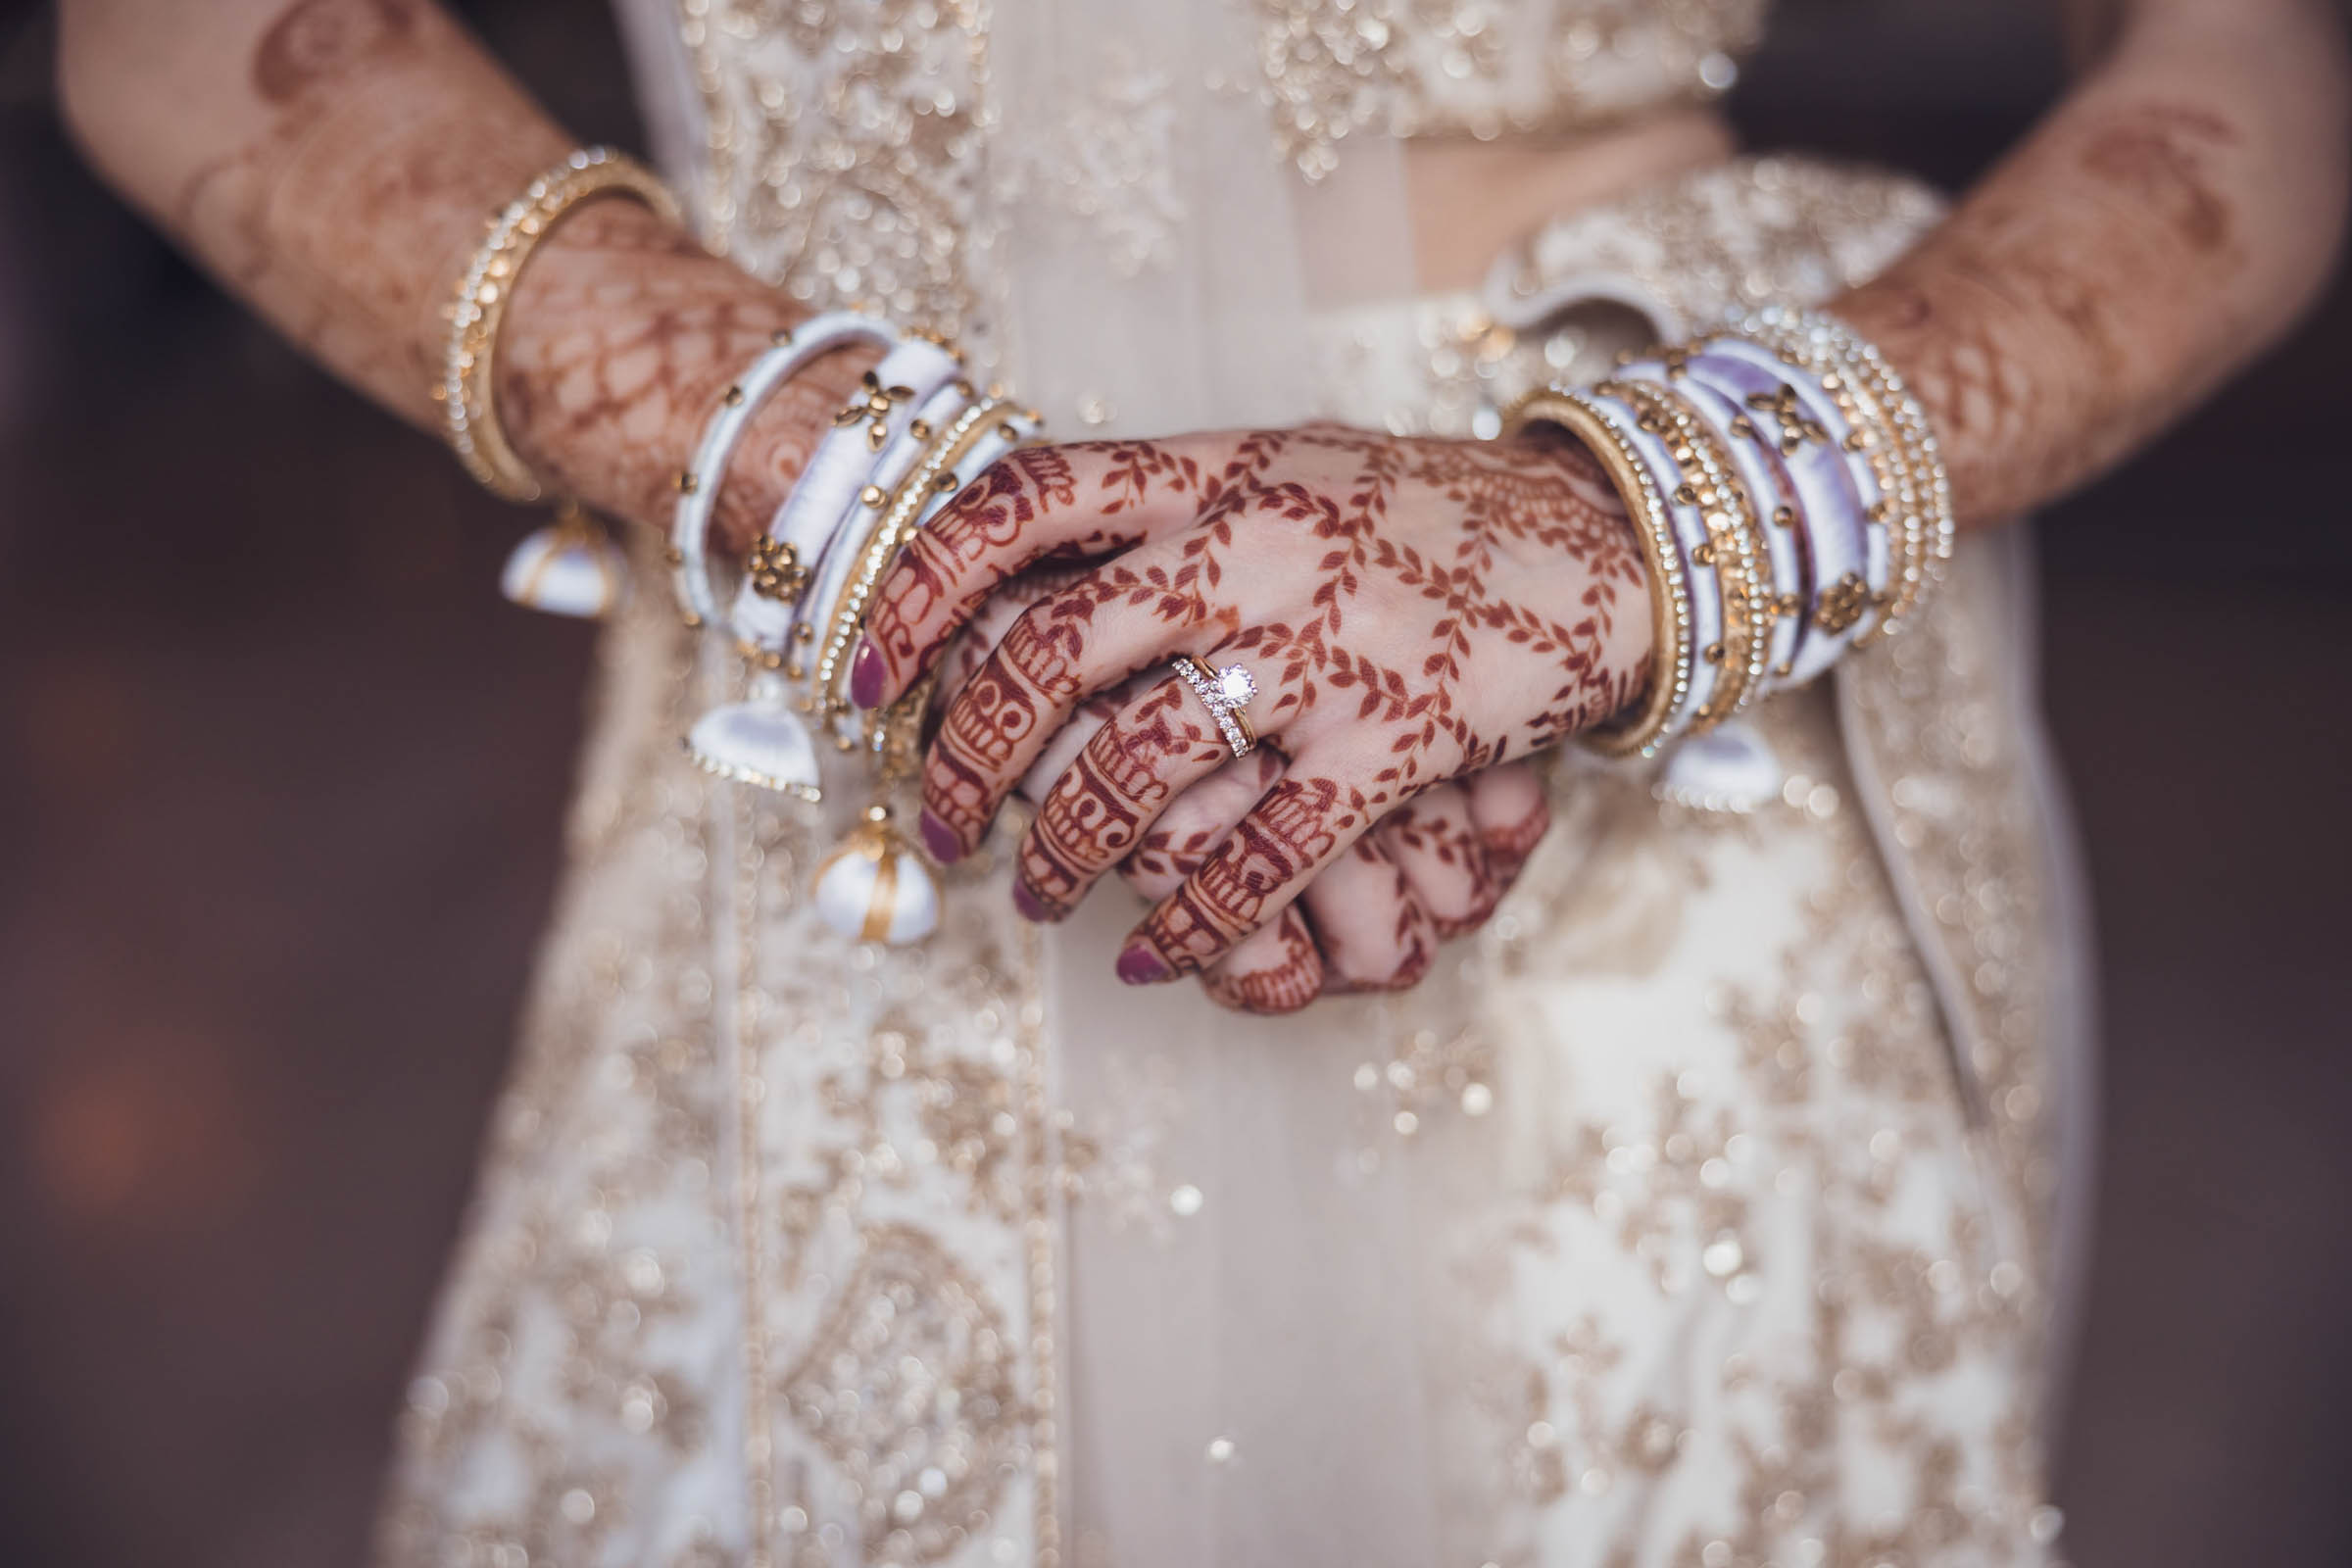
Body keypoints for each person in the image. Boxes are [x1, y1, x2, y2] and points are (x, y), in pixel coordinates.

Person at [57, 0, 2345, 1562]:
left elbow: (2245, 55)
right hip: (831, 736)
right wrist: (859, 495)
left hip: (1637, 705)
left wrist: (1638, 532)